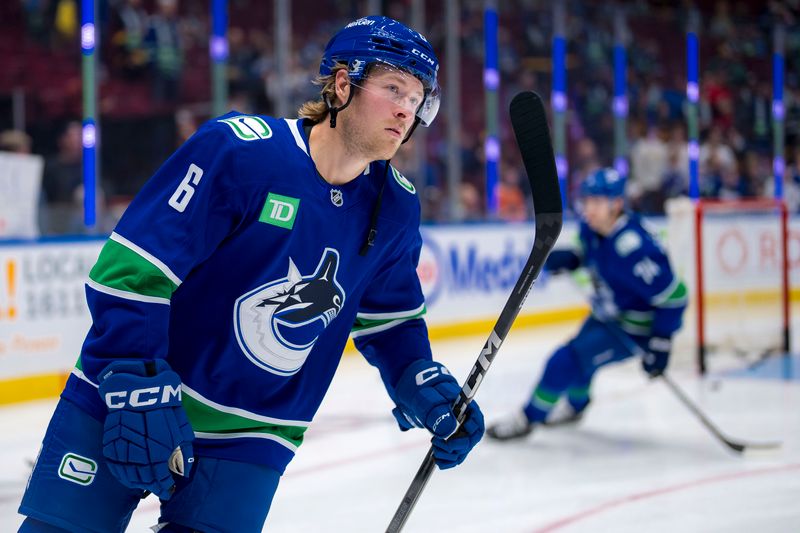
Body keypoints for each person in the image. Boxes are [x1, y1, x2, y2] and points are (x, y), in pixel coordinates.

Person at [18, 16, 484, 532]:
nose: (406, 109)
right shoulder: (241, 151)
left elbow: (391, 320)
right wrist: (131, 375)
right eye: (393, 87)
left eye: (419, 99)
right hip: (135, 392)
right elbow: (134, 267)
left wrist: (416, 379)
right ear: (342, 84)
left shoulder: (394, 205)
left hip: (253, 435)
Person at [487, 167, 687, 441]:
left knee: (565, 361)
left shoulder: (634, 248)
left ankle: (528, 418)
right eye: (586, 201)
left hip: (634, 329)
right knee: (581, 360)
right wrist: (573, 258)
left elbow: (674, 297)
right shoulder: (592, 229)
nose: (588, 208)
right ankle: (577, 407)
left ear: (616, 204)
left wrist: (661, 342)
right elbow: (592, 256)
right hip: (608, 315)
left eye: (597, 202)